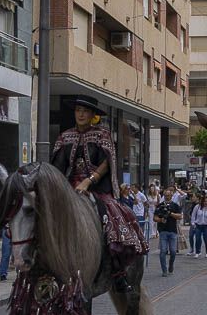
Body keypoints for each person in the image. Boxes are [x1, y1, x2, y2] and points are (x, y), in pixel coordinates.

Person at [51, 96, 146, 290]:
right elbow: (58, 166)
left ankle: (118, 269)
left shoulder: (102, 135)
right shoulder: (65, 136)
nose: (81, 114)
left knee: (111, 216)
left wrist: (88, 181)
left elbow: (106, 163)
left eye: (85, 111)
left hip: (97, 187)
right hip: (70, 187)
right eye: (78, 110)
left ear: (93, 115)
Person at [154, 186, 182, 276]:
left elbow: (180, 216)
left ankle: (171, 265)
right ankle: (164, 270)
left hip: (173, 230)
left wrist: (171, 213)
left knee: (173, 251)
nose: (167, 197)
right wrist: (160, 220)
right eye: (165, 195)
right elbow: (155, 218)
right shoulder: (160, 205)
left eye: (169, 195)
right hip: (163, 231)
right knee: (163, 251)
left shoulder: (175, 205)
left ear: (172, 195)